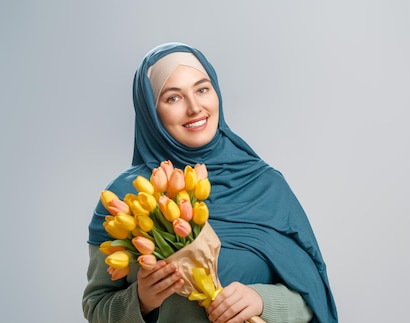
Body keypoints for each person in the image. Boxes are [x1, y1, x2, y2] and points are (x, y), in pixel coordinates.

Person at [82, 42, 338, 323]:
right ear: (151, 112)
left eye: (202, 89)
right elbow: (96, 307)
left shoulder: (266, 185)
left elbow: (312, 297)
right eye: (173, 98)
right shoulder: (127, 198)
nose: (195, 108)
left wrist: (261, 300)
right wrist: (141, 300)